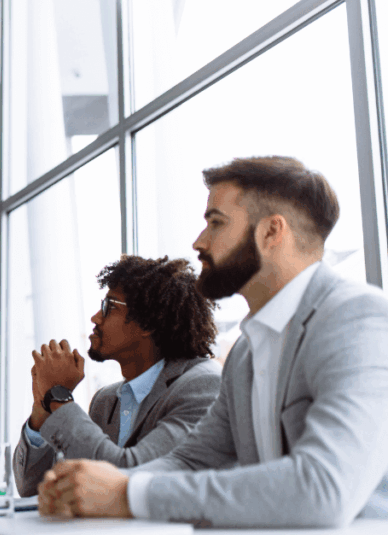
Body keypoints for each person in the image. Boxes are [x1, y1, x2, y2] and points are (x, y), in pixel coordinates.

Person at [38, 156, 388, 528]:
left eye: (216, 223)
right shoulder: (244, 353)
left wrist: (127, 494)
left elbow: (323, 488)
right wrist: (88, 488)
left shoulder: (359, 319)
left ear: (272, 233)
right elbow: (189, 461)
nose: (199, 241)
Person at [14, 255, 220, 497]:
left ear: (147, 323)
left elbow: (128, 475)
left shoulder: (202, 386)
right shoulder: (105, 400)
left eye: (109, 307)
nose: (95, 318)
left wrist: (58, 396)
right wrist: (42, 409)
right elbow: (31, 488)